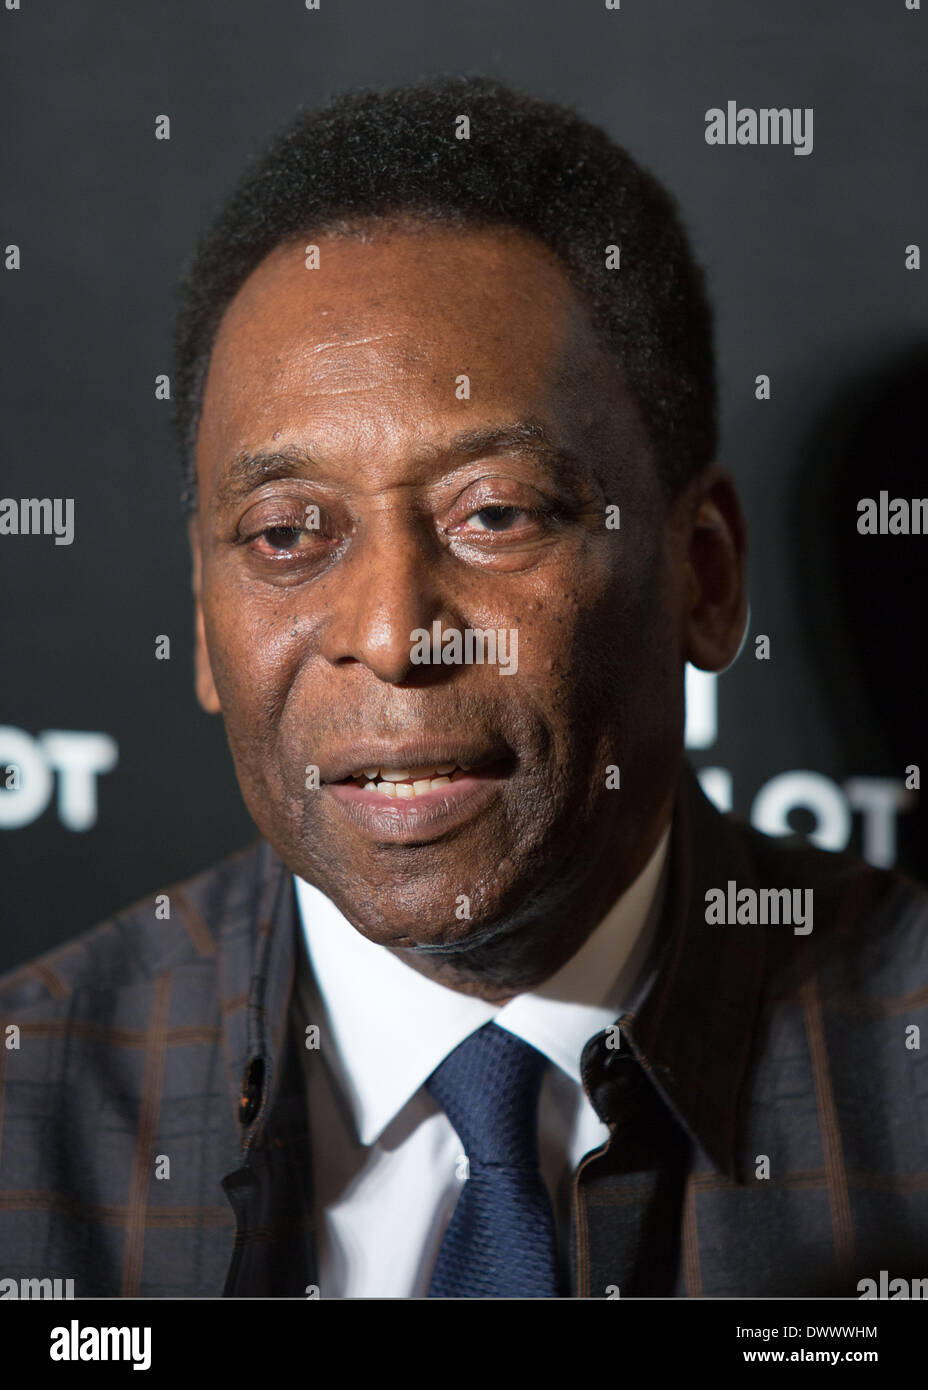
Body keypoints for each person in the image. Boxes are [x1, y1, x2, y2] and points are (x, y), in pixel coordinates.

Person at [1, 75, 925, 1299]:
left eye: (494, 514)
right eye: (286, 534)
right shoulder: (28, 1109)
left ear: (702, 573)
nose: (392, 634)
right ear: (203, 620)